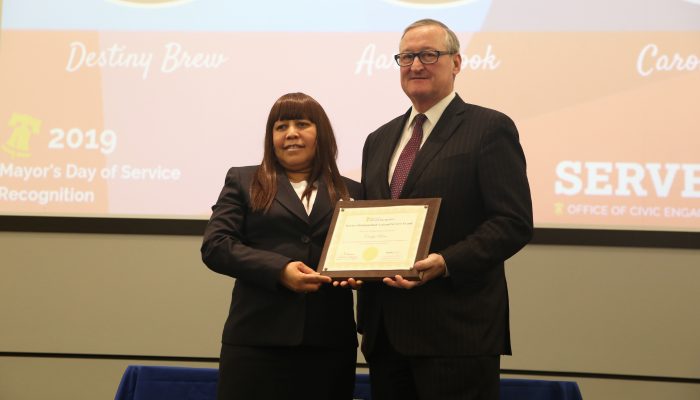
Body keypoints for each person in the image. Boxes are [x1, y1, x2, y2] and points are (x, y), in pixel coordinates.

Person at [357, 19, 534, 400]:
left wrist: (444, 261)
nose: (416, 65)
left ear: (456, 63)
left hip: (456, 333)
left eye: (428, 54)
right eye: (406, 56)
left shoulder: (489, 128)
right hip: (385, 333)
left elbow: (513, 222)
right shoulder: (379, 139)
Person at [200, 92, 362, 400]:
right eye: (280, 126)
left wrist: (361, 275)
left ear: (321, 134)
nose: (291, 133)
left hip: (328, 345)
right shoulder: (243, 180)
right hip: (256, 343)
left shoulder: (353, 190)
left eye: (302, 124)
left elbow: (366, 251)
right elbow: (216, 246)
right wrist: (279, 270)